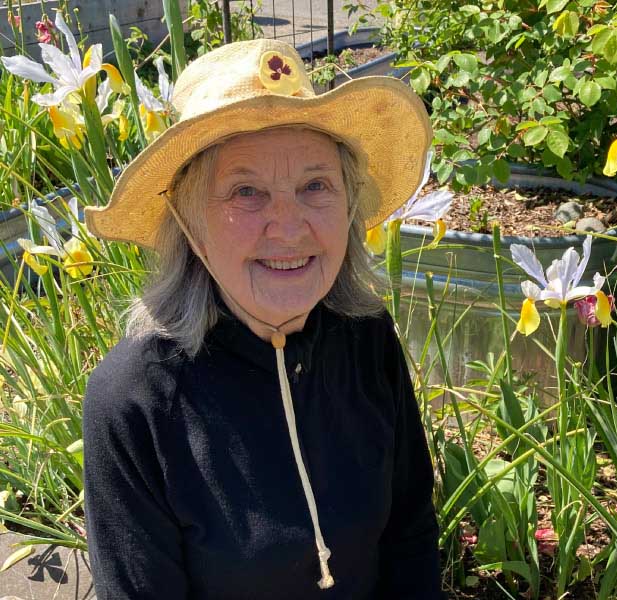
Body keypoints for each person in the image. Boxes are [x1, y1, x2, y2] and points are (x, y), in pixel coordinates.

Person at [81, 38, 442, 599]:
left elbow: (410, 538)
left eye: (315, 186)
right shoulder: (135, 400)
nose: (289, 226)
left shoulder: (366, 337)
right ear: (188, 222)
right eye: (246, 191)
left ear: (349, 205)